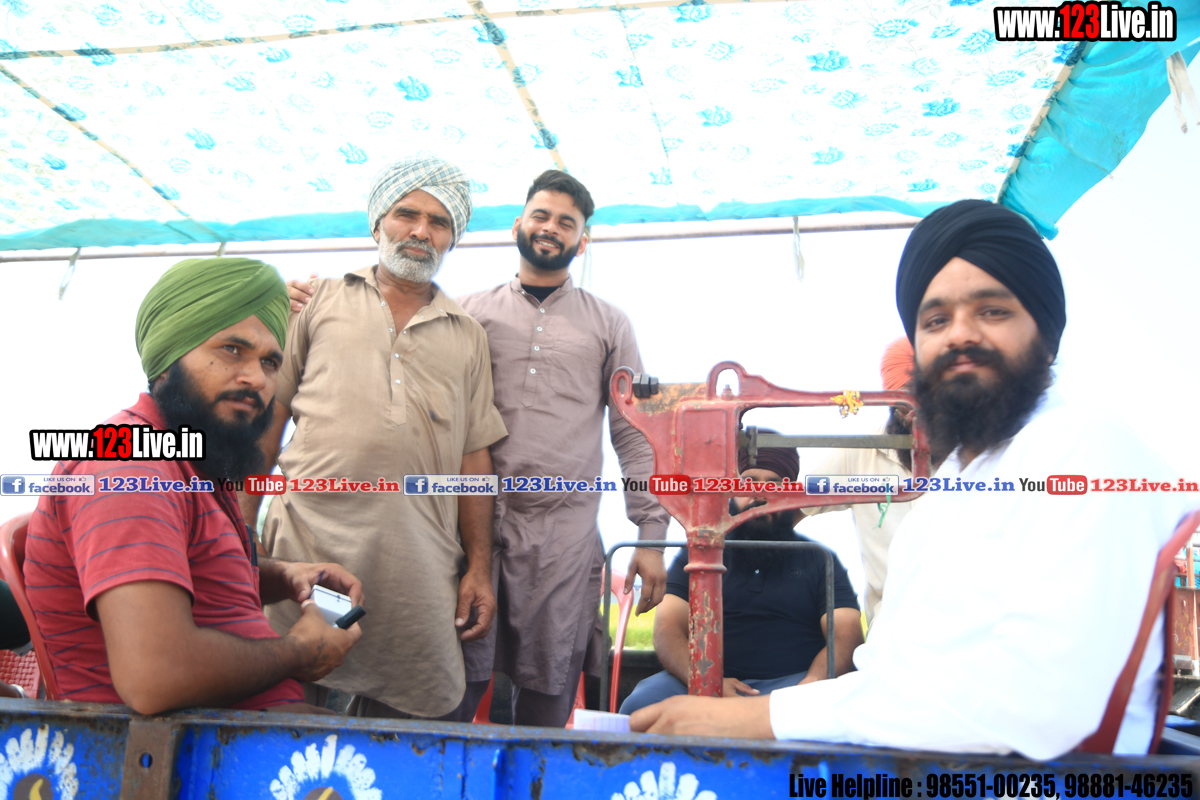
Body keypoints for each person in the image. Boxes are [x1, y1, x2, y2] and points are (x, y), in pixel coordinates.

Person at [629, 199, 1192, 759]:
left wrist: (760, 717)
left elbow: (1044, 707)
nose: (959, 336)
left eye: (992, 311)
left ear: (1046, 333)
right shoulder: (954, 489)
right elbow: (890, 672)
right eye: (936, 320)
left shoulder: (1085, 449)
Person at [24, 257, 363, 714]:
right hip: (173, 751)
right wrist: (298, 652)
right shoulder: (128, 465)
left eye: (269, 362)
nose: (257, 379)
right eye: (232, 350)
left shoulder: (191, 461)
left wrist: (283, 576)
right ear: (168, 360)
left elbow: (197, 575)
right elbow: (155, 678)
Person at [251, 156, 509, 721]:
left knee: (413, 716)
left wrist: (478, 568)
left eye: (439, 222)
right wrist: (239, 537)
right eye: (406, 214)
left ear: (453, 238)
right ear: (377, 224)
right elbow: (266, 427)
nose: (421, 231)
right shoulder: (315, 301)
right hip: (307, 546)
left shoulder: (467, 334)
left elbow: (474, 460)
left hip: (416, 561)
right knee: (285, 703)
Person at [458, 170, 671, 727]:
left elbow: (634, 432)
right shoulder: (467, 313)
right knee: (452, 685)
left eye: (566, 223)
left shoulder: (609, 323)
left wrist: (651, 536)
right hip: (470, 522)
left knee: (549, 690)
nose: (551, 228)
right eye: (541, 215)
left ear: (582, 241)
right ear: (517, 225)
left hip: (563, 532)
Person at [619, 439, 862, 714]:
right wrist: (705, 681)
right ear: (732, 489)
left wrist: (811, 684)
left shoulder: (819, 559)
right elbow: (668, 628)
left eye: (773, 484)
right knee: (639, 706)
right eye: (749, 482)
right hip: (701, 683)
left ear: (790, 494)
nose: (759, 494)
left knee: (828, 713)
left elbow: (846, 634)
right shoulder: (699, 553)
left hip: (791, 688)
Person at [797, 337, 925, 629]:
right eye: (908, 398)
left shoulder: (982, 456)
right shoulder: (859, 453)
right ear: (889, 398)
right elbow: (785, 508)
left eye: (929, 396)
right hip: (891, 635)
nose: (918, 412)